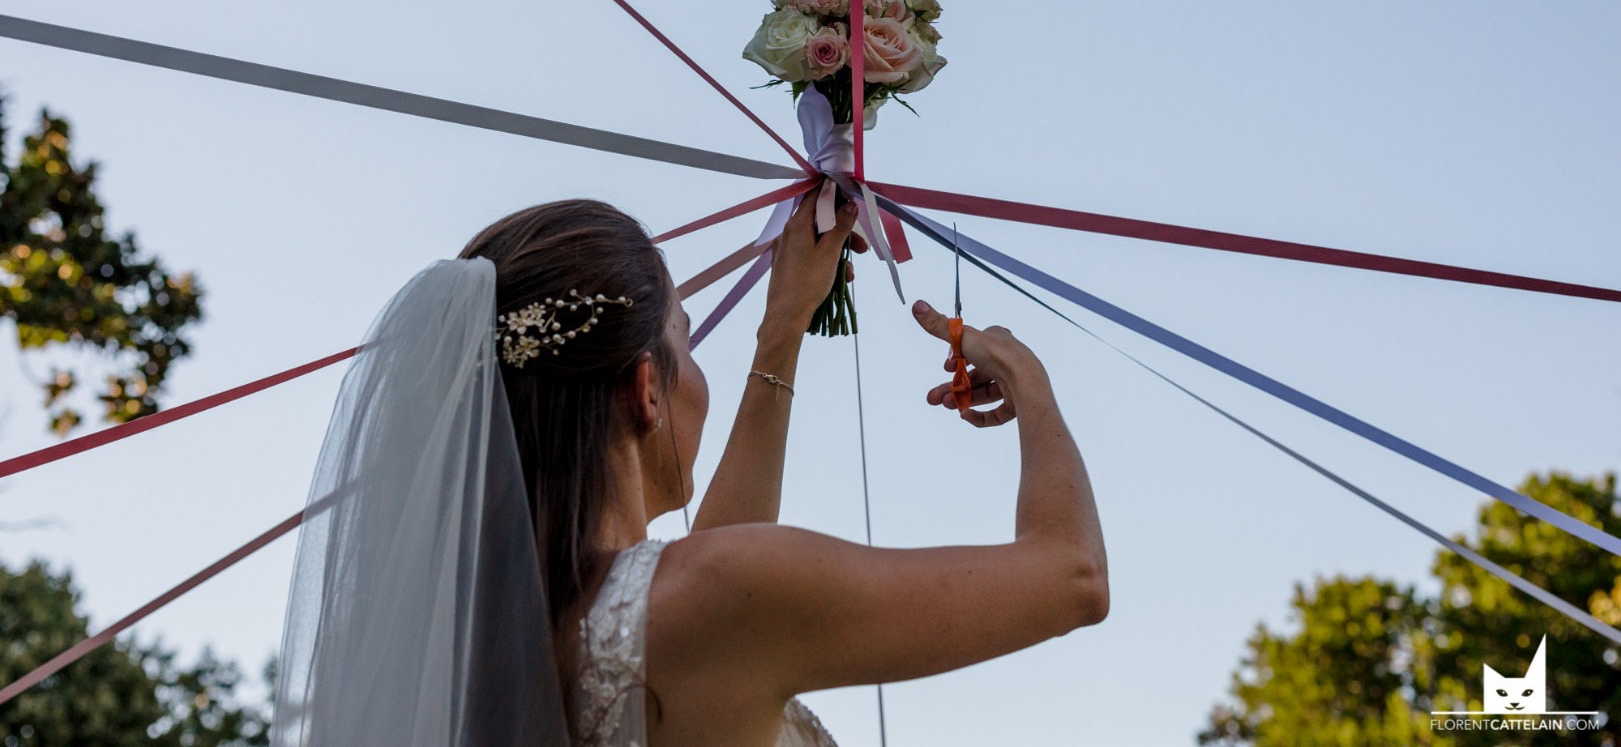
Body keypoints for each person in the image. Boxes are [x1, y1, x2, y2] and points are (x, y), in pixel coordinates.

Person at [269, 193, 1107, 747]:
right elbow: (1072, 578)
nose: (691, 370)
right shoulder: (697, 603)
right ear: (645, 390)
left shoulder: (515, 639)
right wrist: (1033, 387)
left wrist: (781, 329)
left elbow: (712, 565)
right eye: (685, 340)